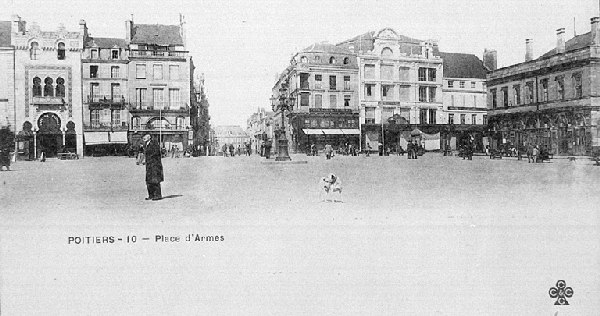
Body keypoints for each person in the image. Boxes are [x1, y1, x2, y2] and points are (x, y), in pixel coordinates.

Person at [142, 134, 163, 201]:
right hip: (149, 165)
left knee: (155, 180)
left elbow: (156, 153)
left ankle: (158, 195)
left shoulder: (154, 144)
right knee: (148, 181)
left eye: (145, 136)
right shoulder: (146, 144)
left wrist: (149, 159)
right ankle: (151, 195)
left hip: (155, 164)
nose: (143, 138)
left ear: (149, 137)